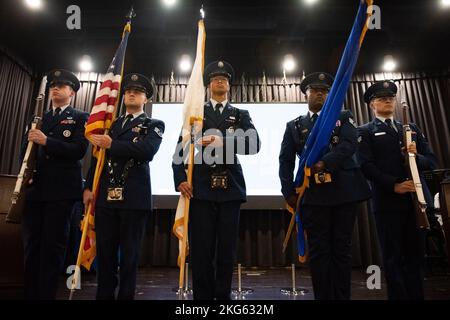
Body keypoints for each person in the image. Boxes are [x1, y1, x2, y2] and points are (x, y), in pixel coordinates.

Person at [172, 60, 261, 300]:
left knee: (226, 251)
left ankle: (222, 298)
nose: (219, 80)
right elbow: (180, 150)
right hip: (200, 188)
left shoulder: (240, 114)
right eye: (214, 78)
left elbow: (254, 145)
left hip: (230, 188)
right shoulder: (196, 113)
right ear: (209, 84)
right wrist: (180, 178)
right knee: (201, 251)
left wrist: (224, 141)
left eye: (224, 78)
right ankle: (202, 300)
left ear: (229, 86)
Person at [279, 72, 371, 300]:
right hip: (313, 196)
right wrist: (288, 191)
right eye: (314, 90)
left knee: (341, 249)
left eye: (324, 90)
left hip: (343, 192)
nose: (319, 93)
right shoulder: (294, 126)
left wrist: (325, 163)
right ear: (306, 94)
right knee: (319, 252)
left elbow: (349, 145)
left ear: (331, 95)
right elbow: (286, 160)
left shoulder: (344, 116)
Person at [83, 73, 165, 300]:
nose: (131, 94)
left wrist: (113, 144)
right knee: (105, 254)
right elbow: (98, 159)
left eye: (137, 91)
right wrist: (89, 187)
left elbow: (147, 151)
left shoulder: (153, 124)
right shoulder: (110, 124)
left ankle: (126, 296)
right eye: (128, 91)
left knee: (129, 256)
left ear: (145, 99)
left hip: (134, 197)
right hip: (105, 197)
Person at [357, 80, 438, 300]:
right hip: (387, 202)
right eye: (382, 98)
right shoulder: (365, 131)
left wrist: (415, 155)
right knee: (393, 258)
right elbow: (366, 166)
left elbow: (431, 161)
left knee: (416, 257)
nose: (388, 101)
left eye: (391, 97)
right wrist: (394, 184)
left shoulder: (411, 129)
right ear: (372, 104)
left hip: (416, 201)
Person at [22, 69, 89, 299]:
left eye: (61, 85)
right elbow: (28, 150)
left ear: (71, 92)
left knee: (53, 248)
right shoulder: (39, 117)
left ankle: (46, 294)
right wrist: (27, 175)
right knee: (32, 246)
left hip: (61, 192)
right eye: (53, 85)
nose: (55, 88)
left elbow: (79, 150)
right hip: (36, 190)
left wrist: (47, 141)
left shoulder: (80, 117)